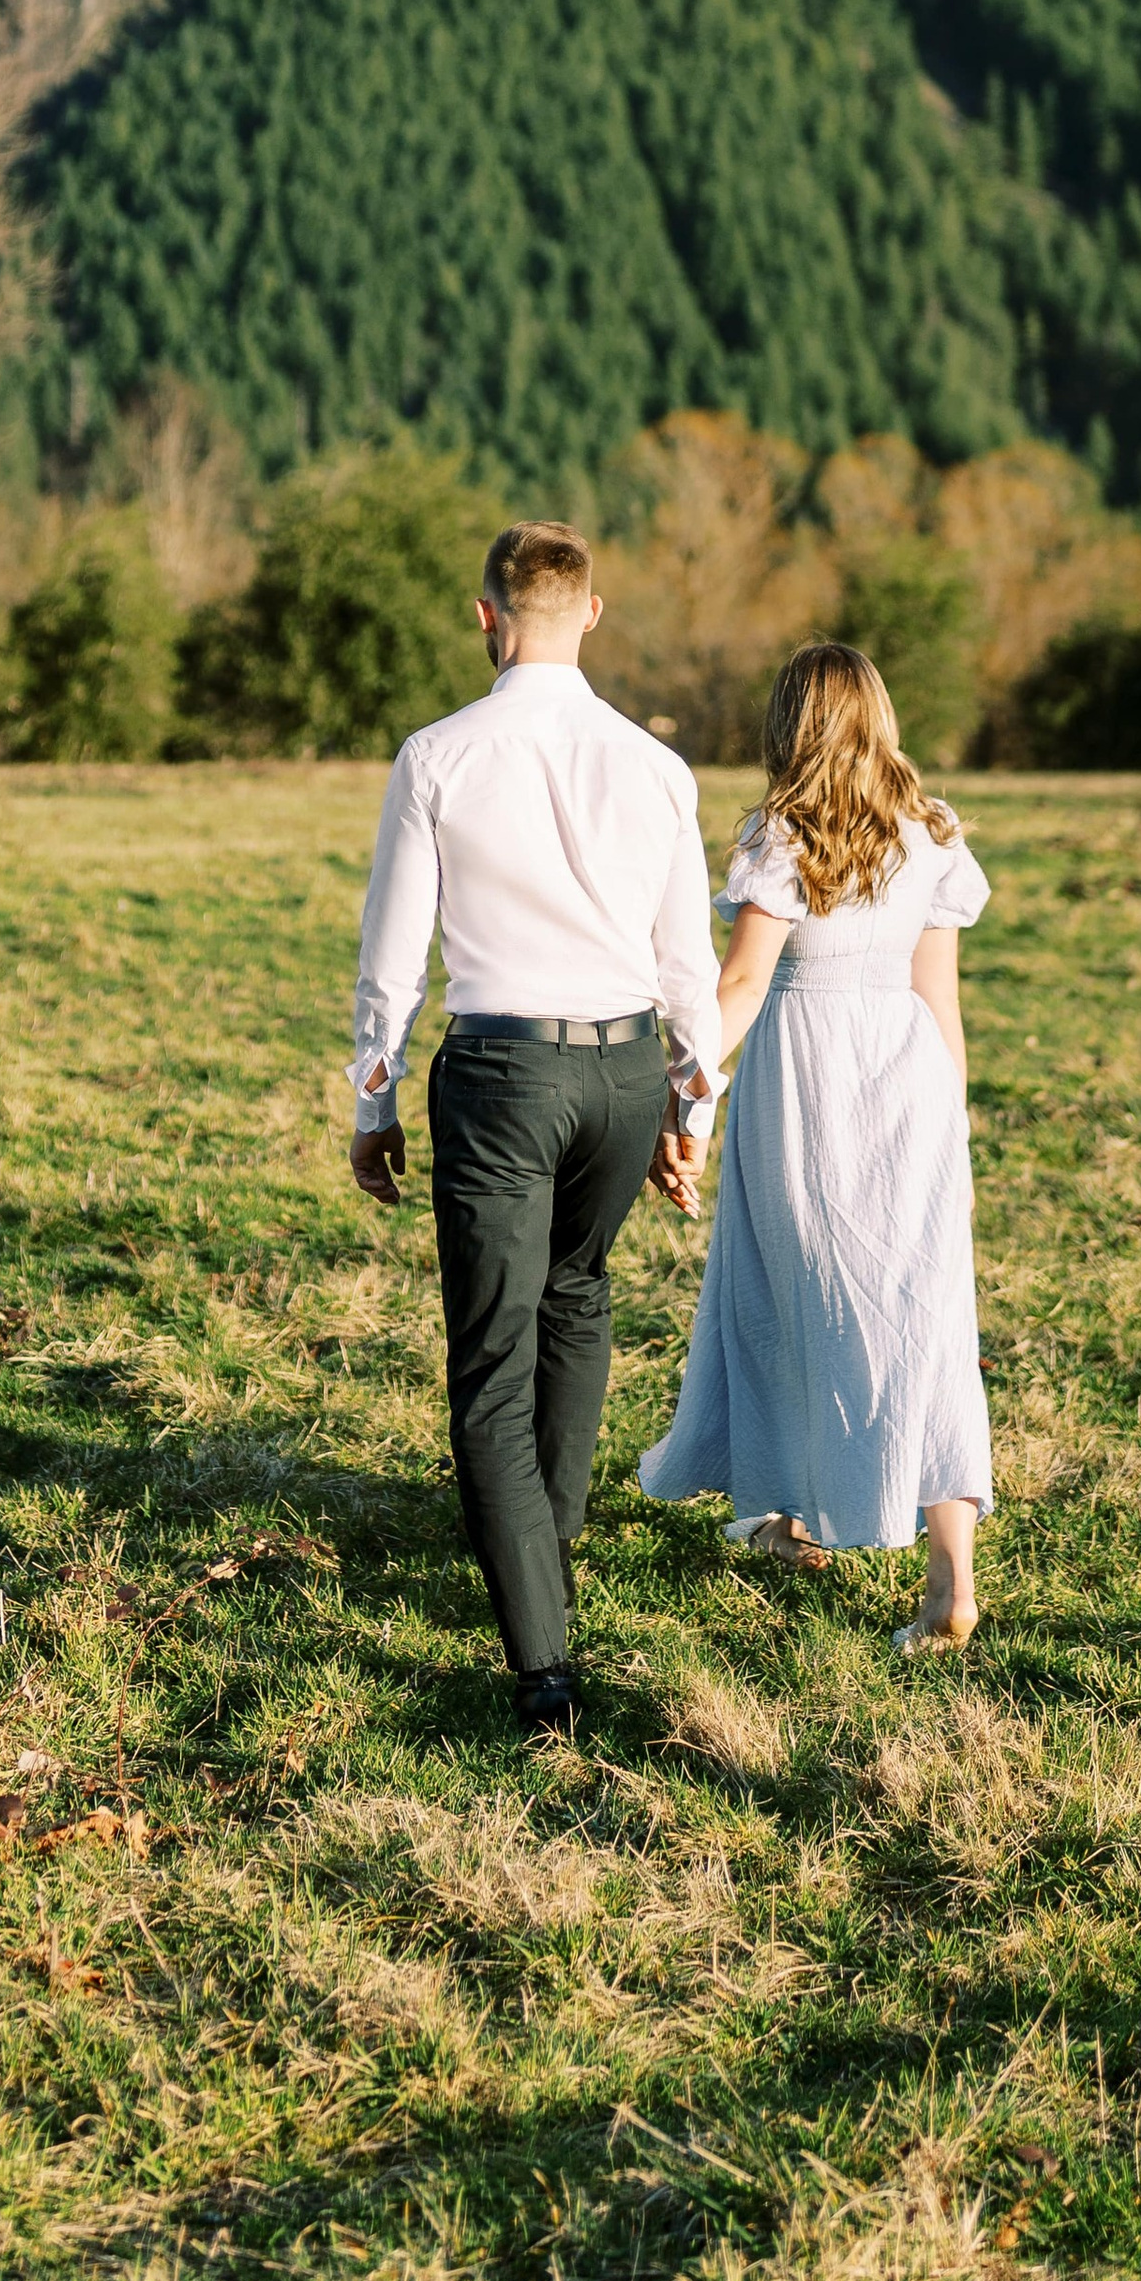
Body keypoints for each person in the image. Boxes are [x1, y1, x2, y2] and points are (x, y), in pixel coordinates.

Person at [349, 519, 726, 1742]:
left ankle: (543, 1671)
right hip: (621, 1071)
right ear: (593, 615)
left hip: (504, 1071)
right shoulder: (656, 769)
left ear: (485, 616)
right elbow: (688, 964)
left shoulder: (438, 754)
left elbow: (392, 958)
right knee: (578, 1293)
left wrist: (372, 1102)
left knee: (490, 1357)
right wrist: (693, 1104)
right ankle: (543, 1538)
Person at [637, 640, 992, 1655]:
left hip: (807, 1084)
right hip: (911, 1078)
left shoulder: (780, 833)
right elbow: (941, 998)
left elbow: (741, 989)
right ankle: (945, 1576)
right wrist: (953, 1130)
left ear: (787, 725)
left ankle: (789, 1513)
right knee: (921, 1320)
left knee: (785, 1297)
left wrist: (685, 1095)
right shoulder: (933, 832)